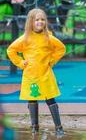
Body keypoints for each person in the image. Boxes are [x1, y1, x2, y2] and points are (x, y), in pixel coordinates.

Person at [7, 8, 66, 138]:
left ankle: (59, 127)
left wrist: (52, 60)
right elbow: (11, 50)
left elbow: (61, 48)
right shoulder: (25, 38)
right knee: (32, 99)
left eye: (42, 20)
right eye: (37, 20)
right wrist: (21, 63)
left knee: (50, 99)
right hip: (31, 75)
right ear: (31, 22)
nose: (40, 22)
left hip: (45, 74)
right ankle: (34, 127)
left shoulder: (48, 38)